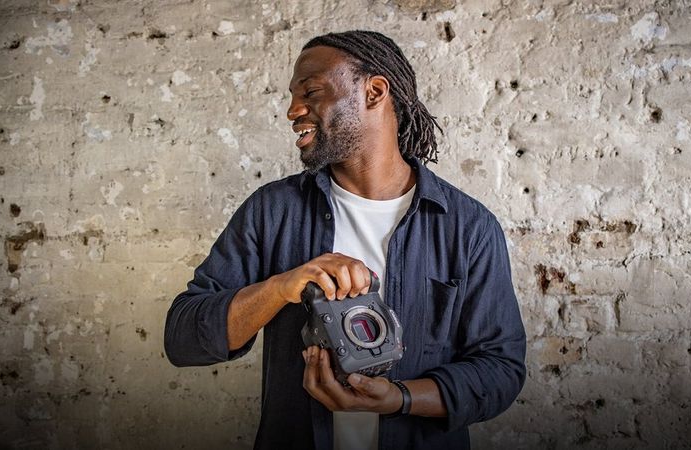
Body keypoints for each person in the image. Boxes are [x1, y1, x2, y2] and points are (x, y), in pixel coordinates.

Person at [164, 30, 526, 450]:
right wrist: (280, 287)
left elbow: (500, 370)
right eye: (293, 96)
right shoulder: (272, 211)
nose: (292, 110)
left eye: (311, 91)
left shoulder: (467, 227)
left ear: (374, 91)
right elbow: (183, 337)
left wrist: (400, 398)